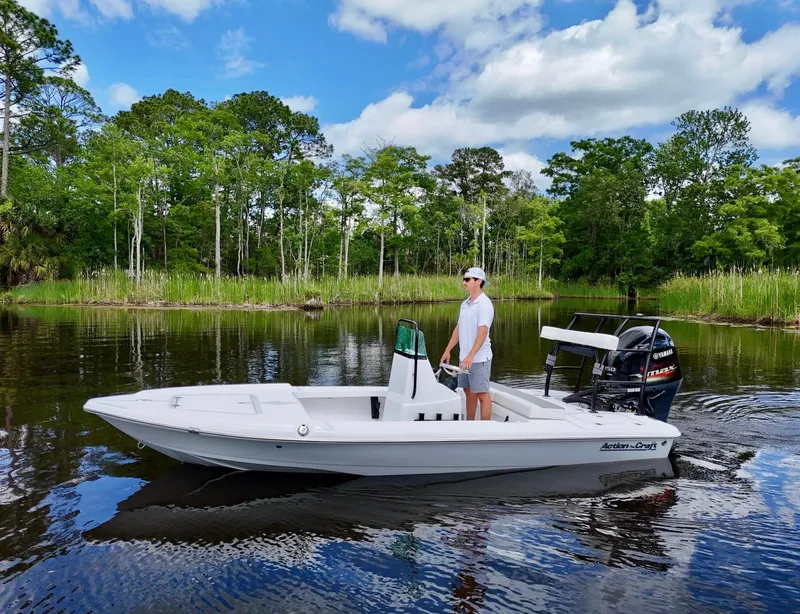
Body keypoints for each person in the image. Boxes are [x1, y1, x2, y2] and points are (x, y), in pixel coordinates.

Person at [439, 267, 494, 420]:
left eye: (467, 279)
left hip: (479, 358)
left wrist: (471, 356)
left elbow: (482, 332)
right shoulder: (465, 304)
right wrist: (448, 350)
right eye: (464, 279)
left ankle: (485, 430)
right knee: (468, 391)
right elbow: (459, 328)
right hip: (465, 358)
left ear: (479, 281)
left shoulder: (484, 304)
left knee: (482, 394)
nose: (464, 282)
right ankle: (470, 424)